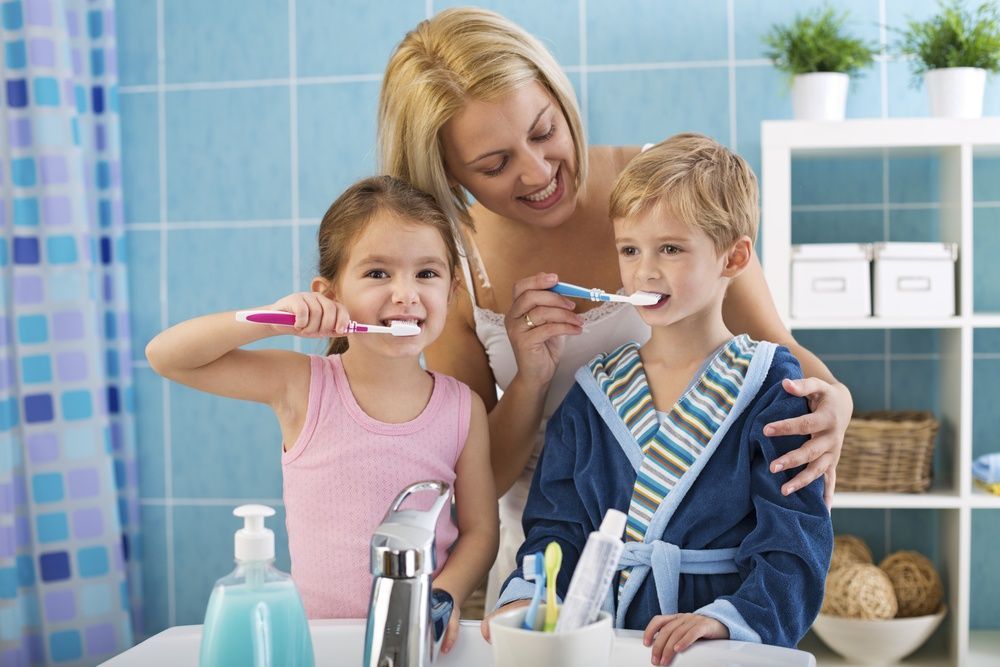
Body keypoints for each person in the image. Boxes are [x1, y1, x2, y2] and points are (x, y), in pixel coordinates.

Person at [379, 6, 851, 609]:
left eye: (544, 130)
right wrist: (530, 379)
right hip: (551, 553)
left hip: (709, 556)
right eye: (494, 165)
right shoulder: (447, 264)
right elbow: (476, 482)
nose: (537, 170)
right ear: (446, 173)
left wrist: (838, 396)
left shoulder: (666, 189)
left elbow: (781, 352)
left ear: (558, 93)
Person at [489, 134, 834, 665]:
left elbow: (795, 542)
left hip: (719, 640)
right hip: (609, 636)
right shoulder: (594, 390)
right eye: (630, 249)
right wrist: (525, 598)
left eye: (670, 249)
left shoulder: (772, 387)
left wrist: (727, 619)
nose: (645, 270)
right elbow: (556, 529)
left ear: (734, 257)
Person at [144, 176, 498, 653]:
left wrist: (443, 595)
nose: (405, 294)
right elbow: (166, 356)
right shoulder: (302, 385)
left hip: (413, 638)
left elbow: (480, 532)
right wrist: (272, 318)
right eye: (377, 274)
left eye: (426, 274)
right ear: (329, 294)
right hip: (314, 643)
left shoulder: (462, 408)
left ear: (454, 289)